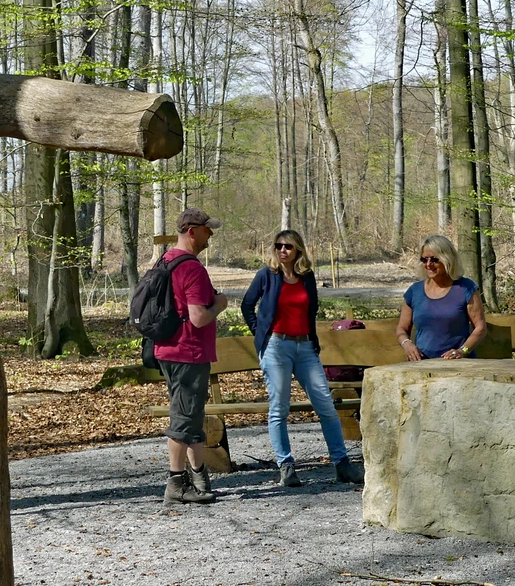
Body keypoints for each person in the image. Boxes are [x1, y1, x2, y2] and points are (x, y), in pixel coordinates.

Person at [241, 230, 364, 487]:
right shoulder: (266, 276)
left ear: (298, 250)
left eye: (287, 246)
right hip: (276, 346)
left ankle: (342, 464)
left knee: (326, 406)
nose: (282, 250)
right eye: (278, 246)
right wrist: (260, 332)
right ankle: (286, 466)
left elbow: (311, 311)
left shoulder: (306, 277)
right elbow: (247, 305)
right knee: (279, 408)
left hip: (305, 347)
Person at [156, 208, 228, 504]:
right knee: (183, 419)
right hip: (188, 352)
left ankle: (198, 473)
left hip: (169, 349)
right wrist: (220, 304)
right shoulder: (192, 269)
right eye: (207, 229)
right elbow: (198, 317)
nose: (210, 234)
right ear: (192, 231)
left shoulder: (166, 260)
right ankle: (175, 483)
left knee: (192, 415)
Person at [397, 235, 488, 361]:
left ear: (448, 259)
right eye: (424, 260)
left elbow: (480, 328)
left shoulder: (466, 288)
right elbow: (402, 329)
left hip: (458, 364)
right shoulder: (414, 291)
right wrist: (407, 344)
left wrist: (462, 351)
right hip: (422, 364)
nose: (428, 265)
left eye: (434, 260)